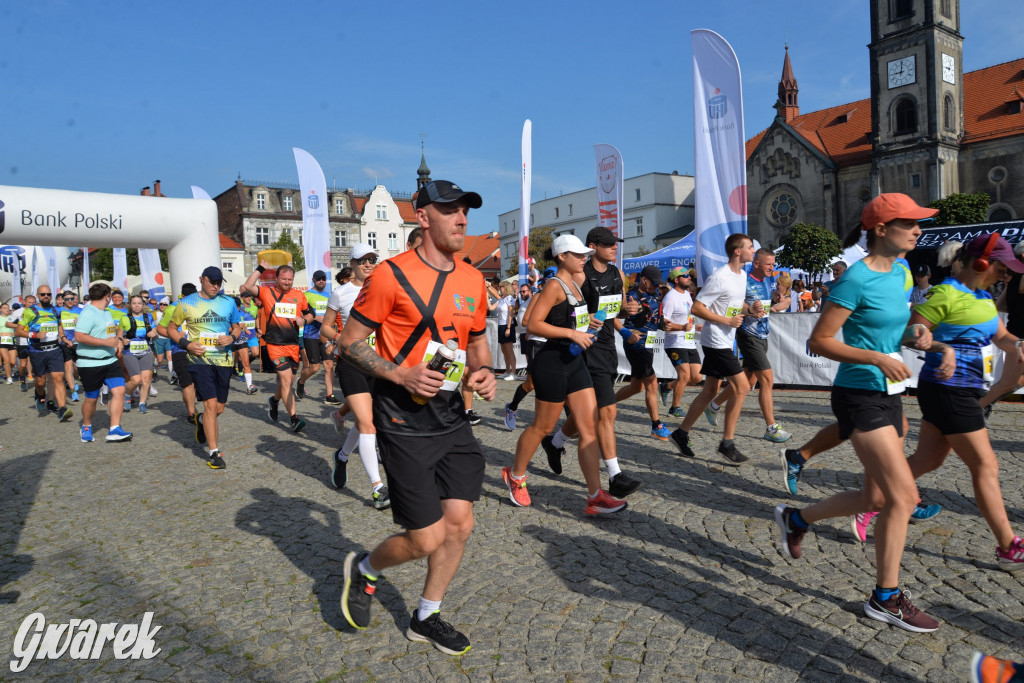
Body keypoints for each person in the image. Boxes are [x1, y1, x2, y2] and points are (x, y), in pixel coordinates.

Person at [339, 179, 496, 655]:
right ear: (423, 217)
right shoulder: (388, 275)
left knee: (461, 524)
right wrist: (401, 376)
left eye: (466, 210)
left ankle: (427, 616)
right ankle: (365, 568)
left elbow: (474, 341)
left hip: (453, 418)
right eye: (450, 211)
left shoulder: (473, 279)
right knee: (425, 537)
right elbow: (348, 343)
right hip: (403, 421)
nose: (462, 219)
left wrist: (483, 371)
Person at [774, 192, 942, 633]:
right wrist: (876, 358)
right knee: (903, 497)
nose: (918, 230)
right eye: (911, 223)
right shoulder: (855, 279)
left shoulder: (903, 272)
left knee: (875, 498)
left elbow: (894, 328)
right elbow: (820, 341)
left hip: (888, 392)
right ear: (882, 230)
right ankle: (885, 598)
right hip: (857, 394)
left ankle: (796, 518)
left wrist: (917, 332)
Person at [896, 233, 1024, 570]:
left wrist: (1018, 345)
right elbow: (910, 333)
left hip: (966, 391)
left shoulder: (983, 297)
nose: (1007, 273)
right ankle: (1009, 547)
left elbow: (1001, 336)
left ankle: (874, 498)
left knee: (929, 459)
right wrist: (939, 346)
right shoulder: (945, 293)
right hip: (946, 387)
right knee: (986, 466)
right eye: (1003, 266)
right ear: (982, 262)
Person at [503, 233, 629, 515]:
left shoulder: (578, 283)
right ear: (562, 257)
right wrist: (573, 332)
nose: (585, 257)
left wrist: (588, 323)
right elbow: (533, 324)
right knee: (543, 427)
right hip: (552, 362)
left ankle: (596, 496)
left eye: (585, 253)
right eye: (579, 254)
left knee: (589, 427)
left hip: (575, 362)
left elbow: (574, 318)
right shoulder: (554, 286)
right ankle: (516, 475)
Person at [537, 226, 642, 498]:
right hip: (585, 348)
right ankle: (615, 475)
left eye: (615, 243)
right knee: (606, 413)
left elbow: (612, 309)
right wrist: (575, 328)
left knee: (589, 415)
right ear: (593, 246)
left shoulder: (618, 274)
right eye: (608, 244)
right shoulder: (581, 275)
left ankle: (554, 442)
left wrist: (625, 318)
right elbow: (569, 310)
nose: (614, 248)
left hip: (607, 345)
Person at [670, 233, 756, 465]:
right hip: (716, 342)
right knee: (742, 387)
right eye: (750, 247)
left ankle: (681, 433)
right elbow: (697, 308)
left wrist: (751, 310)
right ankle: (727, 443)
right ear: (737, 251)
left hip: (726, 341)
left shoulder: (742, 276)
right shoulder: (720, 277)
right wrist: (725, 321)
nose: (753, 250)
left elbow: (735, 307)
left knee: (709, 391)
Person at [320, 244, 390, 509]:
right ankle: (377, 487)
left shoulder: (384, 289)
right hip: (351, 362)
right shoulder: (341, 293)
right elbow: (325, 327)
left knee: (364, 423)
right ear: (352, 264)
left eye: (373, 259)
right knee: (366, 421)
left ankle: (342, 455)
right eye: (363, 261)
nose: (369, 264)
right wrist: (342, 339)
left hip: (378, 364)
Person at [705, 248, 793, 443]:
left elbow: (764, 305)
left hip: (763, 334)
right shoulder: (743, 281)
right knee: (767, 379)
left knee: (748, 379)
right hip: (748, 335)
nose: (772, 267)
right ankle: (771, 427)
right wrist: (749, 311)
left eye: (773, 263)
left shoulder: (768, 280)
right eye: (769, 264)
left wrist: (779, 303)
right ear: (756, 264)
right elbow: (734, 306)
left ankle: (714, 405)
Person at [168, 266, 243, 469]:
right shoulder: (186, 303)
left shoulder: (228, 302)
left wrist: (232, 337)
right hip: (199, 360)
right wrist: (187, 344)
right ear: (202, 279)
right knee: (210, 404)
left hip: (224, 360)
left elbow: (237, 326)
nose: (216, 286)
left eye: (219, 283)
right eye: (212, 282)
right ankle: (214, 453)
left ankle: (201, 420)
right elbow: (171, 329)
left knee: (218, 408)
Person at [242, 262, 314, 433]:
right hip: (275, 345)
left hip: (293, 345)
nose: (287, 282)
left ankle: (274, 401)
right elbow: (248, 285)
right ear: (276, 278)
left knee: (285, 382)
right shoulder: (267, 293)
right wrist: (260, 268)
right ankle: (294, 419)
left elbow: (311, 314)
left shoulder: (299, 295)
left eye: (290, 279)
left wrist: (304, 320)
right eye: (284, 279)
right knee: (287, 381)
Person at [615, 265, 672, 440]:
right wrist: (626, 332)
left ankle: (606, 402)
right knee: (652, 382)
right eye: (654, 284)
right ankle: (656, 425)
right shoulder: (632, 296)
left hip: (649, 344)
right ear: (644, 280)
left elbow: (654, 316)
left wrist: (664, 323)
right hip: (636, 344)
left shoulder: (654, 294)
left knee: (636, 386)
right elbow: (617, 315)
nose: (657, 287)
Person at [73, 282, 132, 443]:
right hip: (90, 362)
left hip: (110, 361)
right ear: (107, 297)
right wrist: (105, 343)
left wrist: (118, 341)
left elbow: (112, 332)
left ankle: (114, 429)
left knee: (119, 391)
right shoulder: (88, 313)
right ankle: (86, 426)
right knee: (91, 398)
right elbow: (79, 336)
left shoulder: (106, 313)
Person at [980, 240, 1024, 419]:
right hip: (1020, 337)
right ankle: (975, 408)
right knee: (1008, 383)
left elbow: (1000, 305)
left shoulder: (1014, 279)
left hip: (1016, 332)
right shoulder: (1020, 277)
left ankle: (984, 404)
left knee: (1015, 381)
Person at [16, 285, 72, 421]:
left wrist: (63, 338)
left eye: (48, 294)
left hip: (54, 349)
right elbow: (18, 331)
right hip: (37, 351)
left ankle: (62, 408)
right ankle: (40, 394)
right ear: (38, 296)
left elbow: (59, 326)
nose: (46, 296)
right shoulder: (30, 311)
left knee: (58, 377)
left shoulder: (54, 310)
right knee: (40, 382)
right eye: (43, 294)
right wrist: (34, 334)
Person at [157, 284, 200, 423]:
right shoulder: (172, 308)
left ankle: (192, 406)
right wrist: (174, 335)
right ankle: (191, 413)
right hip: (179, 350)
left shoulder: (201, 306)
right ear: (182, 296)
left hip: (199, 349)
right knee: (187, 383)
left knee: (197, 382)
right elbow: (160, 328)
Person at [298, 270, 337, 404]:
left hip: (326, 335)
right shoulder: (307, 295)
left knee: (329, 365)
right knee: (314, 368)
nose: (322, 281)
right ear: (314, 280)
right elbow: (299, 314)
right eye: (319, 279)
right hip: (311, 335)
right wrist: (314, 317)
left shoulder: (329, 296)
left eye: (324, 279)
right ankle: (301, 381)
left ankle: (329, 396)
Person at [119, 295, 158, 413]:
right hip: (129, 352)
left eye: (139, 303)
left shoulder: (149, 317)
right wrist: (122, 340)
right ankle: (127, 395)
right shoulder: (124, 318)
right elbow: (119, 335)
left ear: (143, 305)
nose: (136, 305)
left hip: (146, 351)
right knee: (136, 380)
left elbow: (155, 335)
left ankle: (142, 403)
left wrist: (154, 335)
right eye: (134, 303)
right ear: (130, 305)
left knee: (146, 379)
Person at [231, 296, 259, 395]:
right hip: (231, 342)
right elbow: (227, 330)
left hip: (242, 341)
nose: (238, 309)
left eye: (238, 307)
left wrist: (246, 330)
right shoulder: (227, 315)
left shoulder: (242, 313)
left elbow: (244, 325)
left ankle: (249, 386)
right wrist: (238, 327)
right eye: (236, 307)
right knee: (228, 365)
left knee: (246, 363)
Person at [58, 290, 83, 401]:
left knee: (77, 368)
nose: (69, 301)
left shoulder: (80, 311)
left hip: (78, 342)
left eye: (71, 299)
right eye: (67, 299)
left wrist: (80, 323)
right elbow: (57, 325)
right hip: (64, 342)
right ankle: (73, 392)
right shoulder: (59, 311)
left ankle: (76, 378)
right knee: (68, 367)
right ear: (63, 300)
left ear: (75, 299)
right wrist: (62, 337)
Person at [495, 282, 519, 380]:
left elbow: (511, 313)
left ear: (506, 288)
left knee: (509, 351)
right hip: (501, 325)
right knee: (504, 351)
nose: (500, 289)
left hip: (507, 325)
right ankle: (508, 370)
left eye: (501, 287)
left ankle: (513, 373)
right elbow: (492, 305)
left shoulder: (510, 298)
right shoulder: (502, 299)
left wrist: (508, 327)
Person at [0, 303, 18, 384]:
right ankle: (9, 378)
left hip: (11, 340)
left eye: (8, 308)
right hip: (2, 341)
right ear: (0, 309)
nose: (6, 309)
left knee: (13, 362)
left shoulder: (12, 318)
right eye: (4, 308)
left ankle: (9, 371)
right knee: (6, 361)